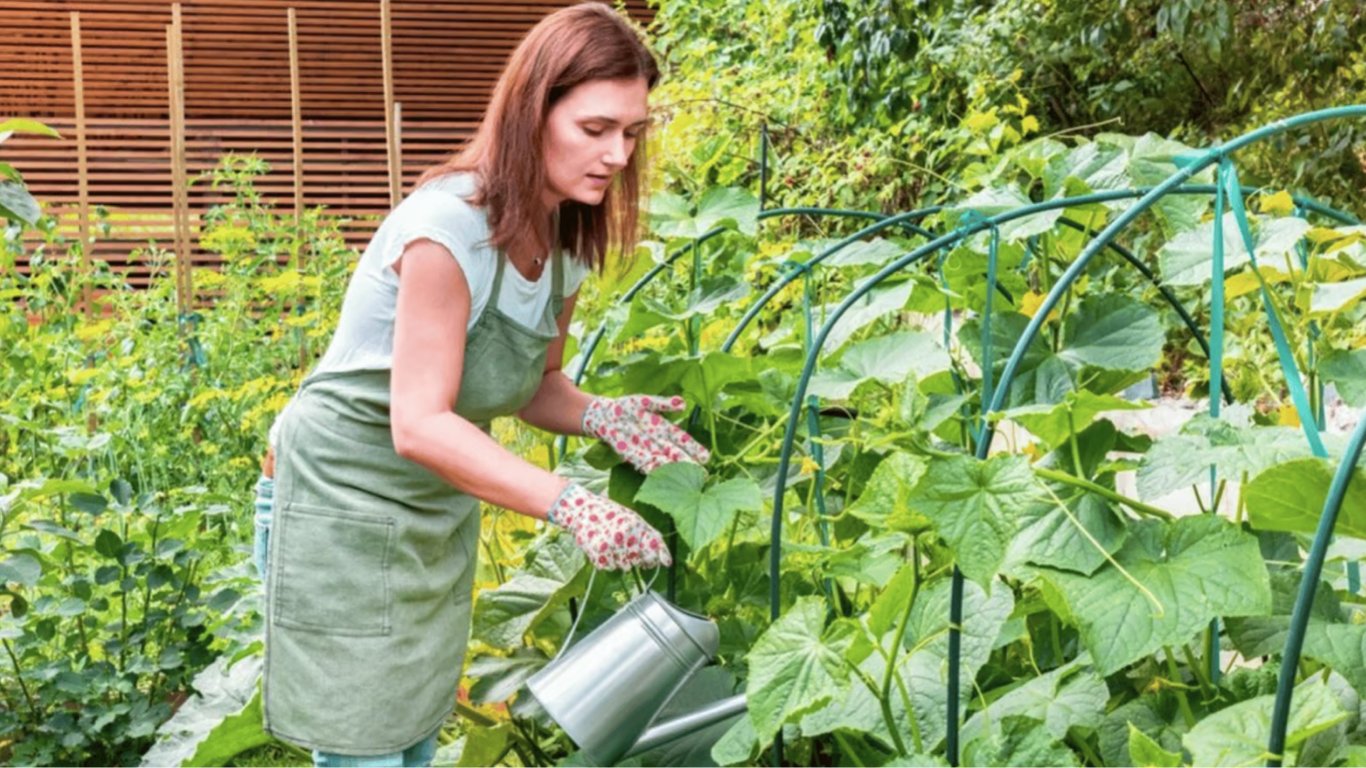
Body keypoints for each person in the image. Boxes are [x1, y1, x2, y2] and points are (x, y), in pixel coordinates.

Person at [250, 4, 710, 764]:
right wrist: (570, 503)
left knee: (414, 733)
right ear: (534, 113)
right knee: (363, 744)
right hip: (339, 501)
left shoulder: (566, 243)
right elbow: (420, 423)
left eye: (632, 133)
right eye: (595, 130)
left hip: (430, 511)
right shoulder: (447, 228)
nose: (618, 155)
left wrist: (602, 416)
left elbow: (532, 385)